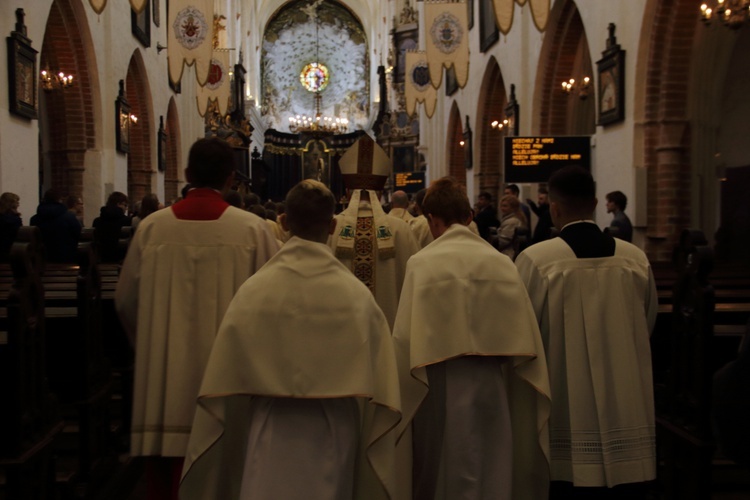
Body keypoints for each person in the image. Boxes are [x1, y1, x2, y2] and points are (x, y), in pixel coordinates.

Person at [180, 180, 401, 500]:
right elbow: (382, 386)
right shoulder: (356, 296)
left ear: (283, 222)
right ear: (333, 225)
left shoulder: (255, 291)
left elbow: (224, 378)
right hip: (334, 428)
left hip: (270, 427)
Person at [115, 137, 279, 500]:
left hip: (164, 381)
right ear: (232, 177)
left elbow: (125, 300)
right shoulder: (252, 231)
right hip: (230, 381)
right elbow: (274, 304)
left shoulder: (152, 230)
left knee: (166, 479)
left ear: (187, 174)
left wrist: (154, 343)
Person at [393, 177, 551, 500]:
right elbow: (524, 334)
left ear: (432, 220)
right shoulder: (502, 263)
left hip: (439, 382)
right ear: (469, 217)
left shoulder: (421, 264)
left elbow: (406, 338)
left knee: (445, 465)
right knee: (491, 458)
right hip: (492, 379)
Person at [515, 166, 658, 498]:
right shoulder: (635, 258)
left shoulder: (536, 260)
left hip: (564, 392)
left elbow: (523, 332)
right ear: (595, 202)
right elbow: (647, 321)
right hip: (626, 392)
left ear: (553, 207)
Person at [328, 134, 418, 328]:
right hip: (391, 330)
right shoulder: (400, 229)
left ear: (347, 192)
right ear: (380, 192)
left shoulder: (331, 228)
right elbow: (415, 285)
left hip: (341, 332)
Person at [30, 188, 82, 263]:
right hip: (66, 257)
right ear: (59, 200)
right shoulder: (69, 217)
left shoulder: (34, 219)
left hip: (42, 259)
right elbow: (78, 234)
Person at [93, 191, 132, 262]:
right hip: (122, 259)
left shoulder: (97, 221)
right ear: (118, 204)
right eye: (125, 205)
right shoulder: (127, 221)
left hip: (102, 259)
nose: (126, 208)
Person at [496, 194, 527, 259]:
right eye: (501, 206)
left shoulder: (512, 221)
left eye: (505, 206)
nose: (502, 208)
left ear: (513, 208)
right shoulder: (513, 219)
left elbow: (503, 241)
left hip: (507, 254)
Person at [0, 192, 22, 261]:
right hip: (11, 252)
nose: (18, 204)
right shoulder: (15, 220)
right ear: (11, 204)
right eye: (17, 202)